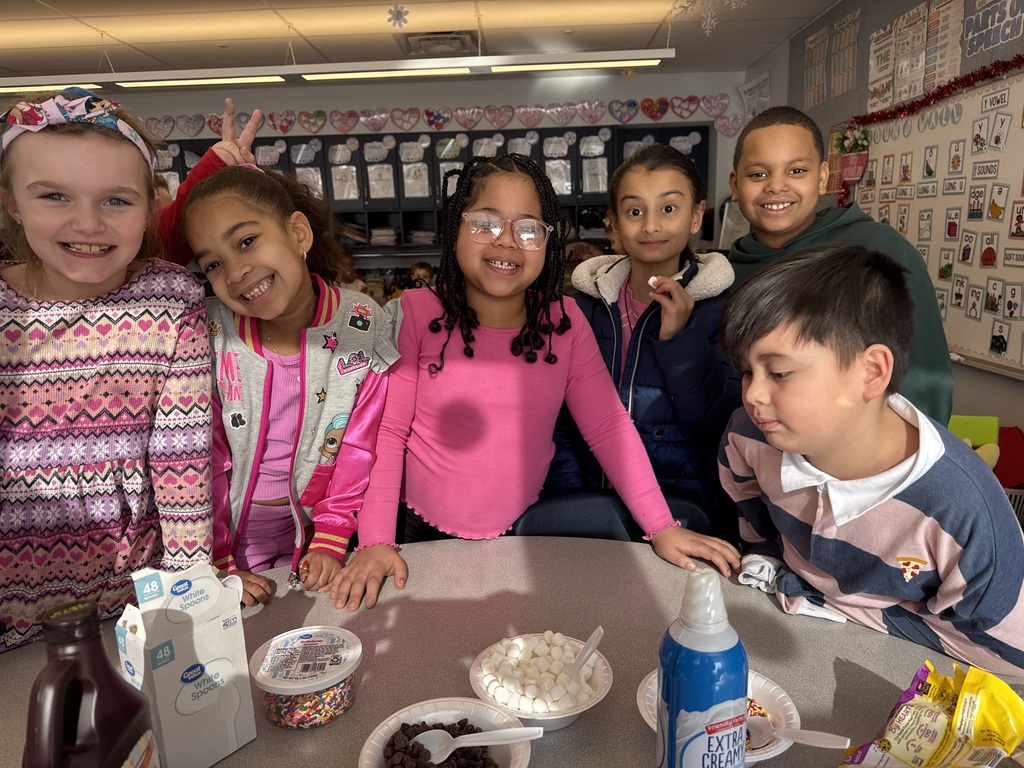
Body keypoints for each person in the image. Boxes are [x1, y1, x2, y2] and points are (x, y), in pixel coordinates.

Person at [330, 154, 741, 611]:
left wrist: (661, 527)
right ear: (454, 230)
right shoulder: (416, 312)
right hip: (416, 533)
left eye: (528, 229)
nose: (506, 242)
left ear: (547, 242)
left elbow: (608, 427)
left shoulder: (564, 322)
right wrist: (374, 542)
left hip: (528, 528)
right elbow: (387, 434)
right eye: (485, 223)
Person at [717, 244, 1024, 675]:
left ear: (872, 372)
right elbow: (753, 514)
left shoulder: (962, 511)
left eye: (779, 373)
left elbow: (1003, 657)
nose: (752, 394)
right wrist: (770, 560)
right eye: (747, 371)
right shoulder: (750, 436)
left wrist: (847, 609)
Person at [0, 87, 213, 651]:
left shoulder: (171, 301)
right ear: (13, 202)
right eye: (54, 196)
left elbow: (181, 466)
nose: (88, 223)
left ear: (151, 207)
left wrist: (189, 595)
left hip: (134, 601)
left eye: (116, 201)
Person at [181, 162, 399, 607]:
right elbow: (198, 453)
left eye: (247, 241)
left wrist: (331, 535)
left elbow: (358, 443)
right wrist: (215, 561)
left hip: (311, 538)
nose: (237, 271)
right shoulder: (208, 330)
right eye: (214, 264)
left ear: (298, 234)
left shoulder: (362, 322)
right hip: (217, 548)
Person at [547, 144, 740, 540]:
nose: (651, 226)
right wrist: (569, 499)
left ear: (696, 216)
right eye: (635, 211)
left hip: (684, 508)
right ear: (613, 224)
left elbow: (717, 430)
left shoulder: (727, 309)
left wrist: (679, 340)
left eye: (668, 208)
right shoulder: (581, 306)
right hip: (589, 507)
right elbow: (558, 419)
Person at [726, 106, 953, 427]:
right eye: (758, 174)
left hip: (863, 466)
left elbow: (927, 378)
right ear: (735, 185)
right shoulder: (723, 274)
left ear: (821, 178)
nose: (776, 186)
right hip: (750, 459)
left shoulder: (878, 250)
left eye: (796, 171)